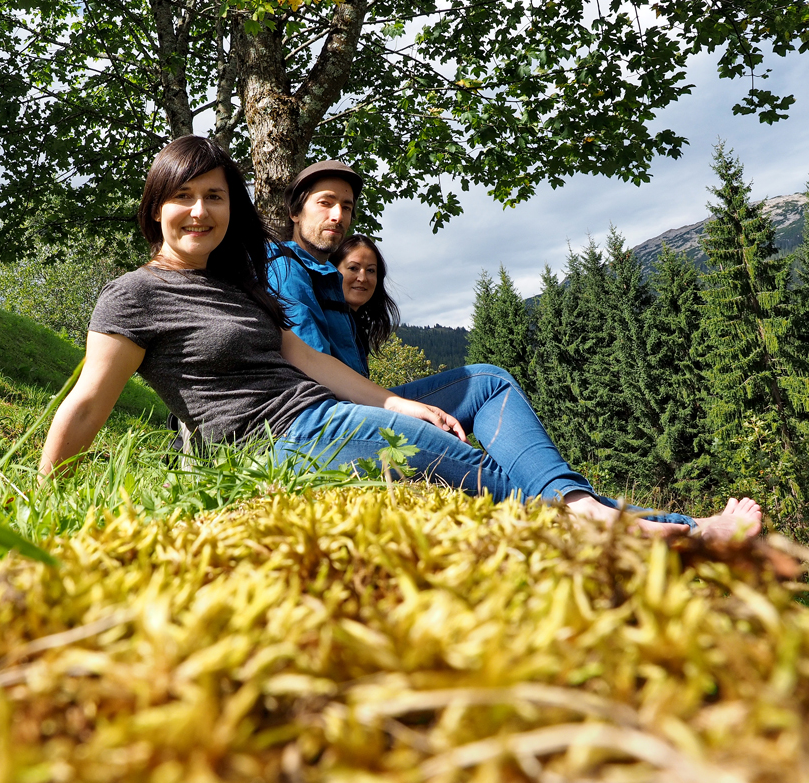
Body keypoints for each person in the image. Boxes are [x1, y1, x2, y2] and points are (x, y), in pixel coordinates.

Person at [39, 135, 761, 545]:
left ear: (232, 207)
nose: (199, 211)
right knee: (492, 487)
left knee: (487, 384)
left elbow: (307, 359)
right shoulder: (134, 294)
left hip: (325, 414)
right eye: (183, 196)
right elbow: (88, 403)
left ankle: (616, 521)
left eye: (215, 197)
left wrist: (396, 402)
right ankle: (664, 533)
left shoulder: (240, 287)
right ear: (155, 206)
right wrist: (46, 501)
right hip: (283, 440)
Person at [267, 161, 368, 375]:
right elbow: (314, 372)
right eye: (325, 203)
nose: (338, 216)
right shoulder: (285, 269)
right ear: (295, 213)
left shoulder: (326, 277)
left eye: (346, 207)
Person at [329, 234, 399, 372]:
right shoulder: (325, 320)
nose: (363, 278)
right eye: (353, 268)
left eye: (371, 270)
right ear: (333, 269)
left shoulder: (358, 328)